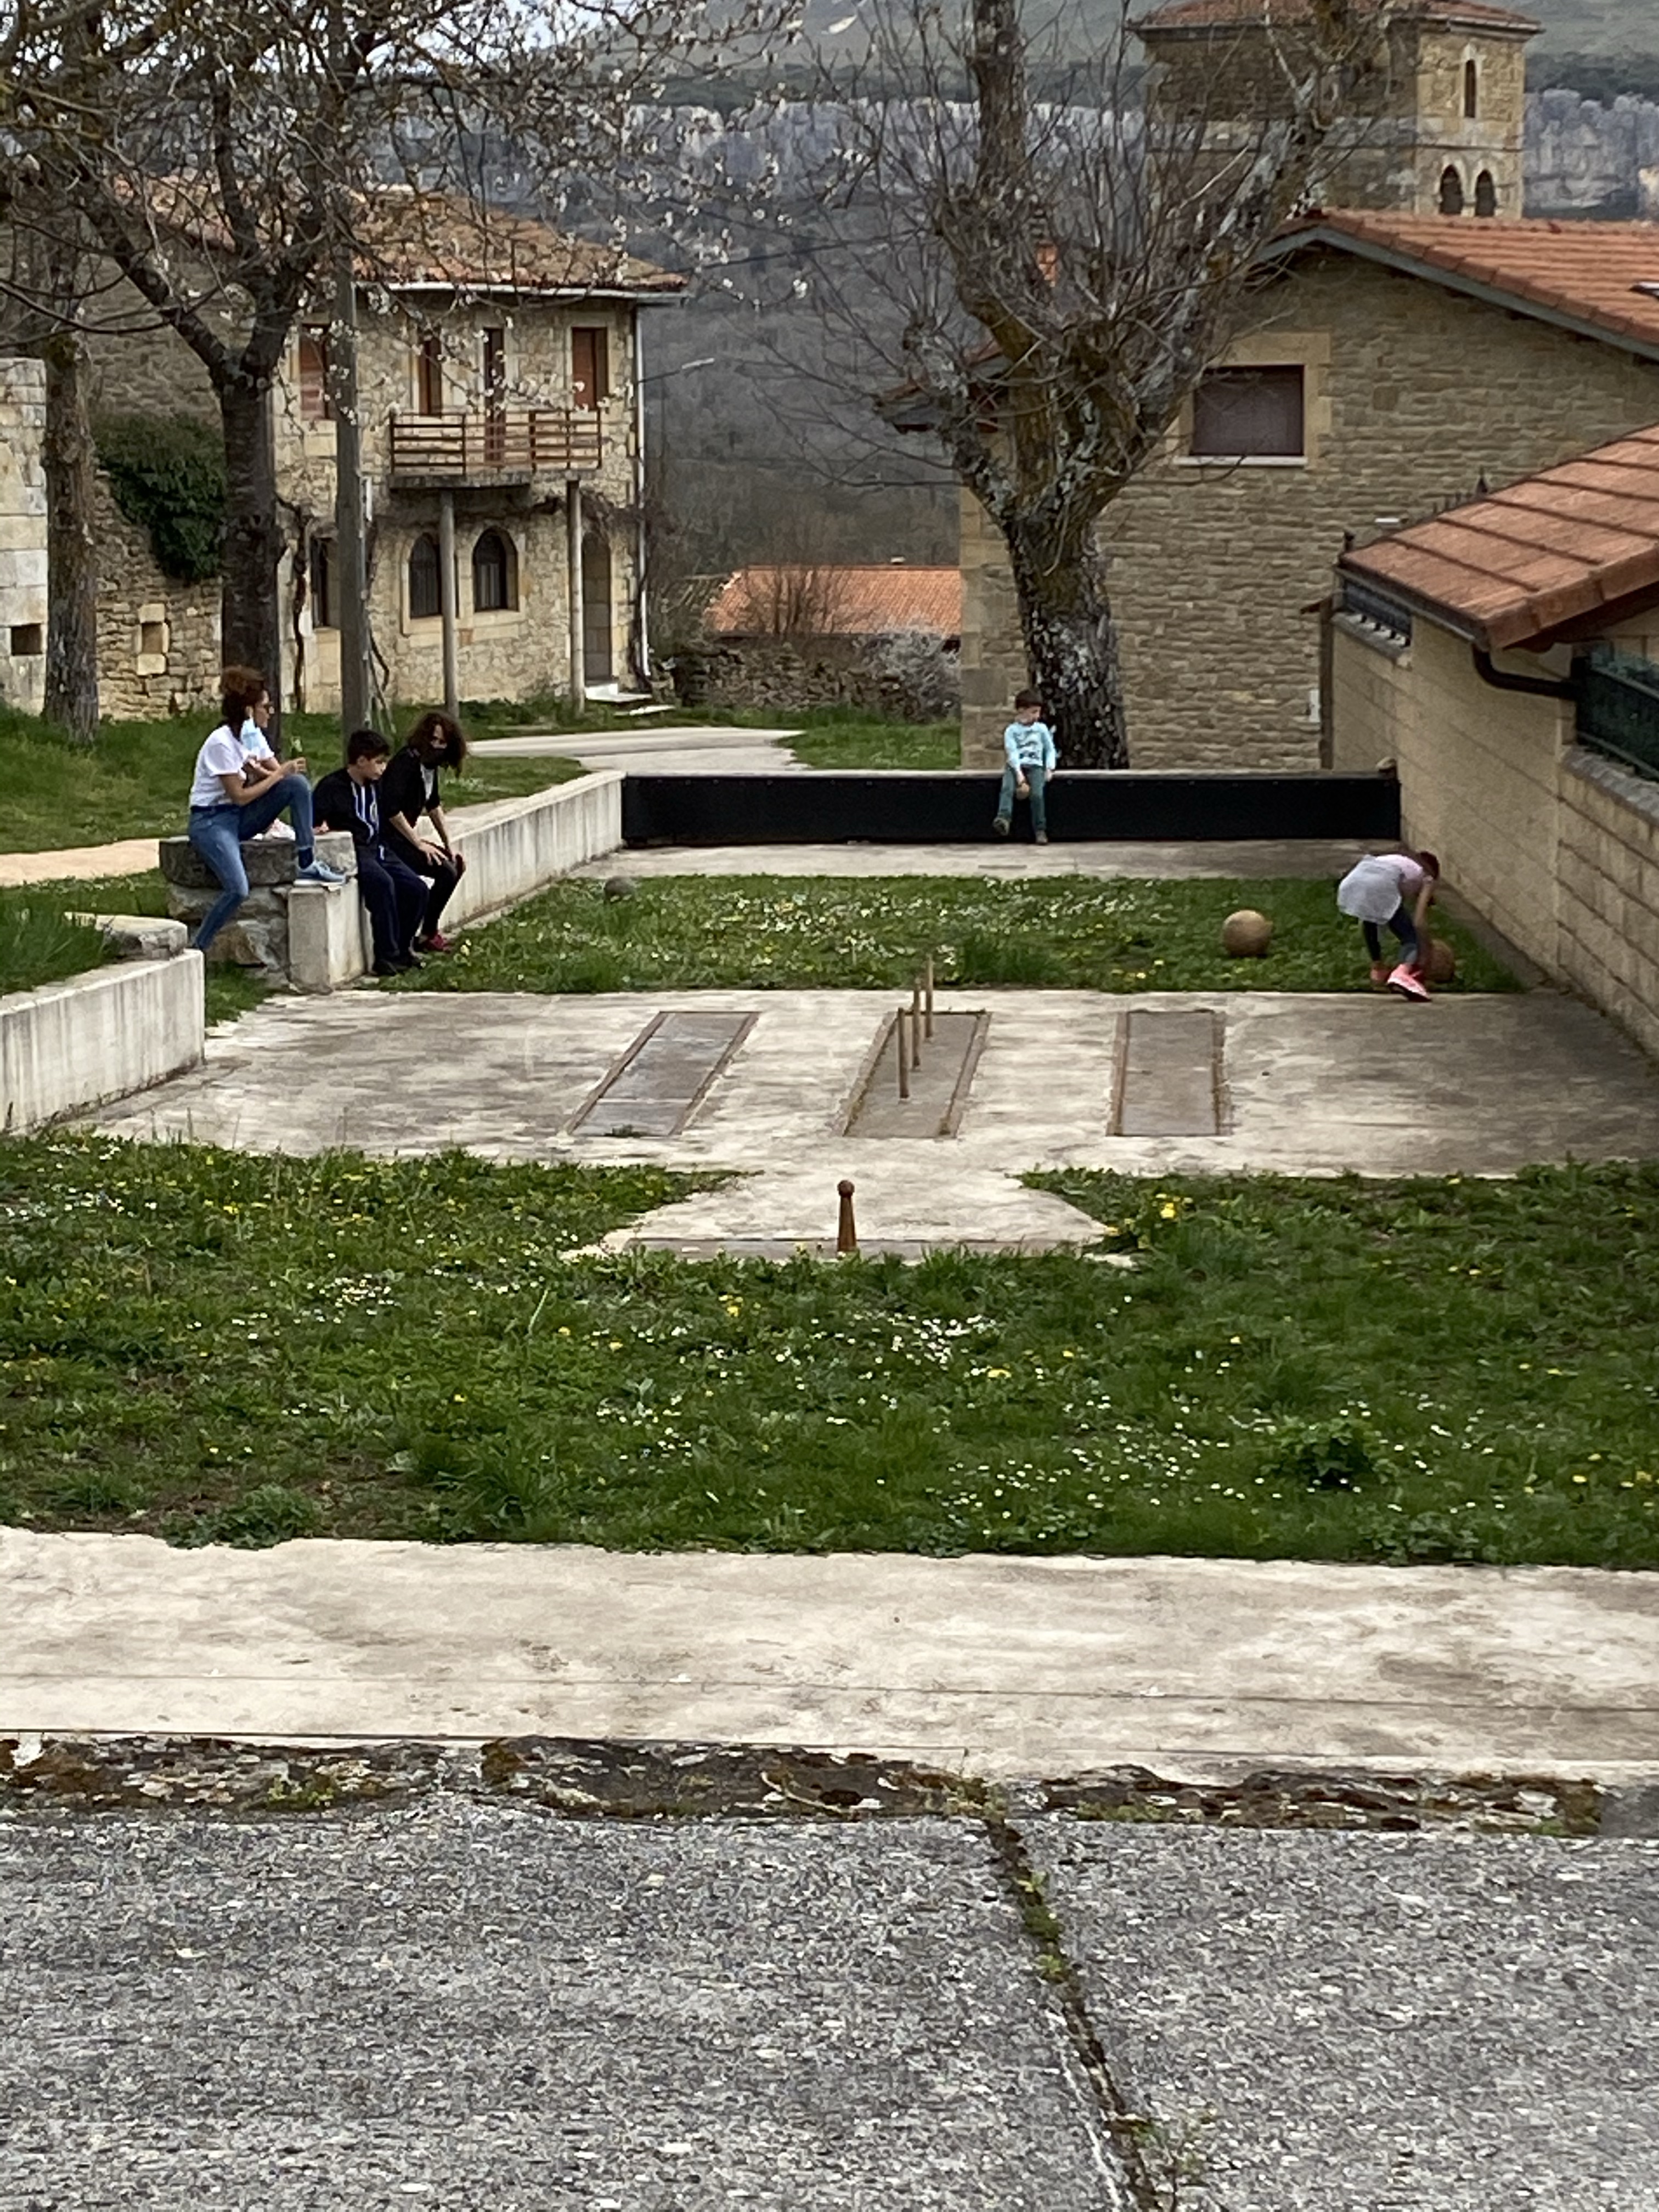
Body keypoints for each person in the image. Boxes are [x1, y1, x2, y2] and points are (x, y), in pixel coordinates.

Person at [185, 669, 346, 956]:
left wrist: (281, 780)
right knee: (238, 889)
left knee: (297, 785)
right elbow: (240, 796)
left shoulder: (250, 736)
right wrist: (278, 774)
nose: (270, 713)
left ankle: (307, 861)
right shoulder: (221, 742)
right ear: (250, 710)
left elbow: (279, 777)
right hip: (211, 821)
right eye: (265, 706)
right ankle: (198, 947)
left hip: (237, 818)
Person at [313, 730, 430, 978]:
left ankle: (403, 948)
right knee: (383, 884)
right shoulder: (332, 787)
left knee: (417, 889)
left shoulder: (378, 785)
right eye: (378, 762)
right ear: (361, 761)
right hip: (355, 850)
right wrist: (320, 828)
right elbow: (313, 821)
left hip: (379, 846)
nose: (383, 768)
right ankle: (386, 955)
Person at [381, 710, 470, 952]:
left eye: (442, 742)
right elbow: (392, 810)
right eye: (433, 740)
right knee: (446, 872)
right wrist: (418, 844)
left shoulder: (430, 767)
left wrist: (448, 844)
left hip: (404, 837)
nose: (436, 747)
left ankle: (429, 930)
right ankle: (426, 934)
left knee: (455, 864)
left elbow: (433, 805)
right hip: (390, 839)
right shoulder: (407, 762)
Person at [1336, 847, 1441, 1001]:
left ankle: (1378, 970)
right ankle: (1403, 972)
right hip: (1382, 884)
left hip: (1354, 880)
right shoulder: (1427, 878)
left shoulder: (1398, 860)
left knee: (1370, 921)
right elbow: (1419, 921)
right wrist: (1426, 947)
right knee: (1410, 938)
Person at [992, 689, 1058, 843]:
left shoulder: (1041, 729)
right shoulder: (1011, 731)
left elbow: (1050, 749)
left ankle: (1040, 829)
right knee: (1007, 788)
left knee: (1037, 795)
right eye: (1033, 712)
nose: (1037, 716)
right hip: (1015, 766)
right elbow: (1012, 752)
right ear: (1022, 711)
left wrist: (1050, 767)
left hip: (1036, 766)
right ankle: (1003, 818)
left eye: (1038, 712)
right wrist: (1018, 773)